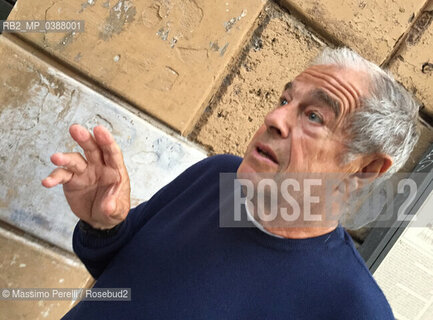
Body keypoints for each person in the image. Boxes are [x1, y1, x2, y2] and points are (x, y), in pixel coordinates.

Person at [41, 47, 419, 319]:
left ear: (365, 169)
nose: (274, 117)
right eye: (285, 98)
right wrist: (104, 226)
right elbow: (119, 276)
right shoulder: (216, 177)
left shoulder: (351, 307)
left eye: (314, 116)